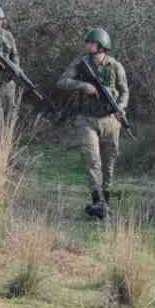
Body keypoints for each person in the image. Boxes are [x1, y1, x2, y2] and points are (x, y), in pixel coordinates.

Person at [56, 28, 128, 219]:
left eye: (92, 43)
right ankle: (98, 202)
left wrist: (120, 107)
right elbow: (62, 82)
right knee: (92, 160)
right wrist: (83, 85)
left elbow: (124, 91)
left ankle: (105, 203)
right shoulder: (81, 64)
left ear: (101, 46)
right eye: (88, 43)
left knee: (108, 163)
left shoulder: (115, 66)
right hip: (86, 119)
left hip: (111, 121)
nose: (88, 46)